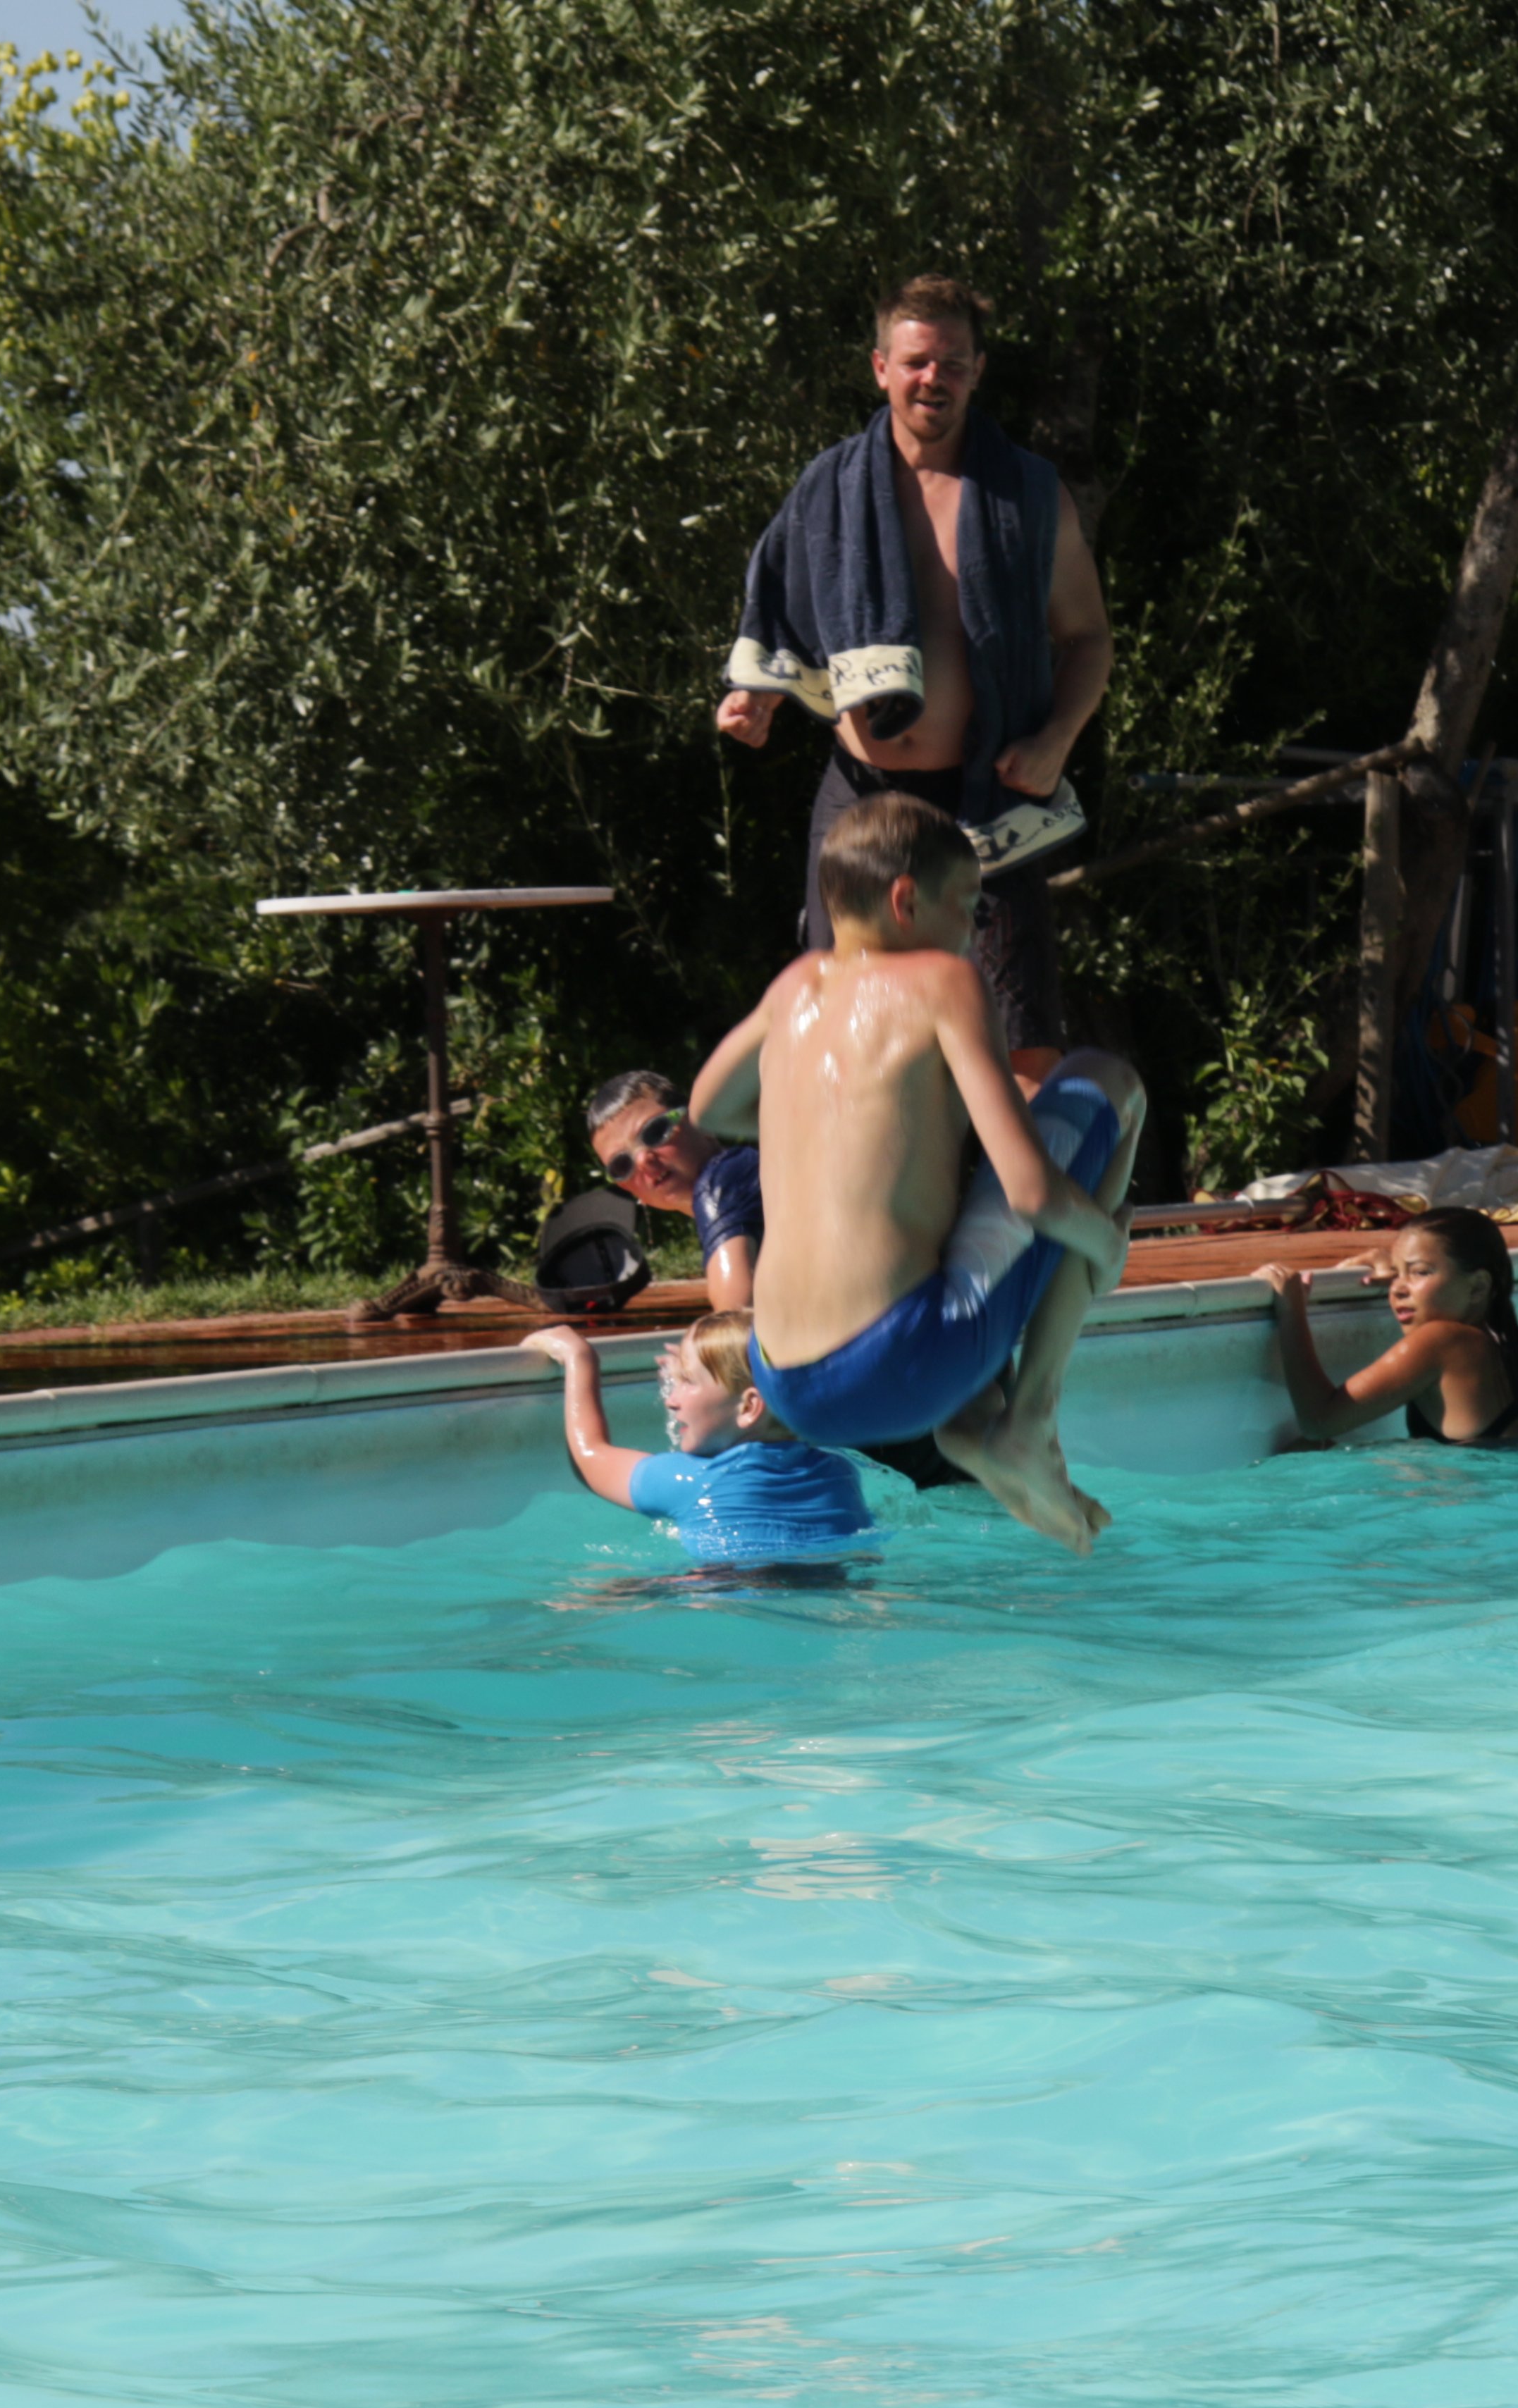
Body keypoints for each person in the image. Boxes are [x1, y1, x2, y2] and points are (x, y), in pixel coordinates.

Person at [689, 793, 1142, 1550]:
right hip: (901, 1362)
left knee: (948, 1246)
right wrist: (1106, 1248)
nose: (973, 931)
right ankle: (1030, 1418)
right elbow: (1032, 1193)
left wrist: (817, 1114)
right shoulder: (942, 979)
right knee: (1111, 1084)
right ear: (906, 900)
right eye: (968, 908)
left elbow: (709, 1106)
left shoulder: (795, 987)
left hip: (785, 1383)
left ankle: (973, 1420)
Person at [714, 273, 1113, 1054]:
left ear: (978, 370)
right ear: (881, 369)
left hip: (988, 801)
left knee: (1021, 1042)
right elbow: (781, 623)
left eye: (953, 362)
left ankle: (1017, 1143)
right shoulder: (829, 490)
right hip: (860, 799)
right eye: (917, 361)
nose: (935, 378)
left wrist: (1057, 739)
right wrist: (757, 699)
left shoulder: (1031, 496)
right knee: (837, 1039)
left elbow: (1089, 639)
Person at [522, 1313, 874, 1566]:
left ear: (749, 1406)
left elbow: (589, 1456)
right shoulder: (841, 1474)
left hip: (721, 1602)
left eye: (687, 1382)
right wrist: (699, 1368)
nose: (671, 1400)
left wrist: (580, 1359)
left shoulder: (692, 1481)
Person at [1259, 1207, 1518, 1447]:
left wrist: (1292, 1311)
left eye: (1420, 1272)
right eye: (1397, 1273)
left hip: (1480, 1500)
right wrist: (1400, 1265)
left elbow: (1318, 1423)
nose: (1398, 1288)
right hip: (1512, 1489)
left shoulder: (1442, 1340)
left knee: (1303, 1449)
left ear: (1477, 1287)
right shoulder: (1506, 1340)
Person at [586, 1067, 758, 1307]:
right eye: (622, 1165)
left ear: (701, 1124)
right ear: (628, 1189)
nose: (643, 1160)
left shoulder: (724, 1178)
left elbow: (734, 1318)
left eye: (655, 1132)